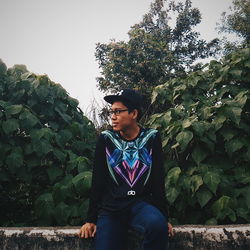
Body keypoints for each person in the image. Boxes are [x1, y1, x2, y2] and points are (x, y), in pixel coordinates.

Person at [77, 89, 173, 250]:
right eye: (111, 112)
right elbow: (98, 180)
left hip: (140, 205)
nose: (113, 117)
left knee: (157, 226)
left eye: (118, 112)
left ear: (134, 113)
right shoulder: (106, 139)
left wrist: (163, 217)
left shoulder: (151, 137)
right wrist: (90, 219)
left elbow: (157, 179)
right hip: (111, 209)